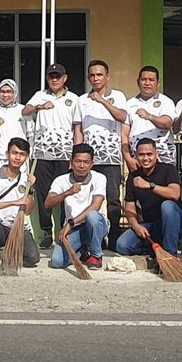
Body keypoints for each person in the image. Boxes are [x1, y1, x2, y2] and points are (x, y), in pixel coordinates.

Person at [23, 64, 81, 247]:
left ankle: (65, 230)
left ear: (65, 78)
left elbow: (77, 128)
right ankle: (46, 232)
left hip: (65, 155)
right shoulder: (40, 95)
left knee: (66, 193)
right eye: (51, 76)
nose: (54, 79)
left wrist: (76, 155)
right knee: (43, 194)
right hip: (42, 154)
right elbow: (24, 111)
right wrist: (39, 107)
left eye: (58, 76)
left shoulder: (73, 99)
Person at [79, 60, 130, 236]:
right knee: (87, 198)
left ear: (107, 77)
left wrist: (102, 101)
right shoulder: (82, 100)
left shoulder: (118, 96)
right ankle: (91, 236)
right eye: (92, 75)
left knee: (113, 198)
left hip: (111, 157)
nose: (96, 78)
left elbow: (123, 116)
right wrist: (77, 155)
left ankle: (115, 236)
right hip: (88, 160)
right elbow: (78, 130)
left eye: (99, 74)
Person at [114, 137, 182, 268]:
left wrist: (150, 185)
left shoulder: (168, 169)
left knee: (167, 206)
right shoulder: (134, 177)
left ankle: (170, 256)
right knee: (122, 245)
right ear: (135, 156)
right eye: (141, 155)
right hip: (150, 225)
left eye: (149, 154)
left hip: (173, 222)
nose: (145, 158)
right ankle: (154, 250)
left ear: (157, 154)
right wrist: (136, 226)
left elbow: (175, 194)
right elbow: (130, 207)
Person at [0, 137, 39, 271]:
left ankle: (11, 251)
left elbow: (28, 211)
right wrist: (14, 203)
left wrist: (31, 190)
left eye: (22, 154)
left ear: (26, 157)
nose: (17, 157)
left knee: (33, 258)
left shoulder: (26, 179)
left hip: (17, 227)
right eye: (14, 153)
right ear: (7, 154)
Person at [46, 143, 107, 270]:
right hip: (75, 229)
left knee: (92, 217)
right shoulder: (61, 180)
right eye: (78, 161)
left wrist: (70, 223)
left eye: (86, 162)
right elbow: (48, 203)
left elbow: (96, 205)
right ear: (71, 162)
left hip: (95, 225)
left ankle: (96, 256)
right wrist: (67, 192)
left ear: (92, 164)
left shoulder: (99, 178)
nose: (81, 166)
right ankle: (83, 251)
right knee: (57, 262)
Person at [123, 65, 175, 173]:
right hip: (138, 159)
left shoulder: (166, 102)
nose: (147, 83)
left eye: (151, 80)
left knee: (164, 189)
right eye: (143, 79)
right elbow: (124, 134)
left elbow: (167, 123)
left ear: (158, 83)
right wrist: (128, 158)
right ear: (138, 82)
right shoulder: (129, 104)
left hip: (163, 156)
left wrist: (149, 116)